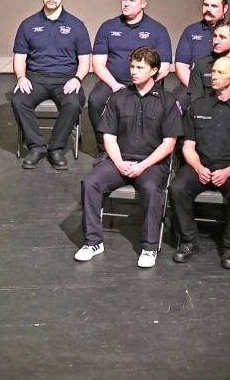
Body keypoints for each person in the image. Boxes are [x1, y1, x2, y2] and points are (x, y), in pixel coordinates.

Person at [76, 47, 182, 268]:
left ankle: (149, 247)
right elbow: (109, 136)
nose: (133, 71)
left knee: (152, 189)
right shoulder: (119, 97)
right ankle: (93, 242)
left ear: (154, 71)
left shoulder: (167, 101)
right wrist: (119, 162)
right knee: (91, 182)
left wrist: (142, 166)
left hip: (151, 163)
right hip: (120, 159)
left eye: (140, 67)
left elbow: (169, 143)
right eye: (132, 66)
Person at [170, 56, 230, 269]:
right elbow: (188, 146)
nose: (214, 76)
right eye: (213, 71)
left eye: (220, 72)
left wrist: (228, 171)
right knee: (177, 187)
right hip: (201, 165)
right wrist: (198, 167)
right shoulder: (197, 106)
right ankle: (189, 241)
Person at [10, 0, 91, 170]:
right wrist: (21, 77)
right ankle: (37, 147)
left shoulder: (76, 25)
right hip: (36, 78)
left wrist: (77, 78)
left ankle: (56, 149)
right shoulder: (28, 25)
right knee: (19, 101)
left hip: (66, 79)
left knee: (73, 103)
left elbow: (85, 61)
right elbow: (19, 58)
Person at [89, 0, 172, 158]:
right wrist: (115, 86)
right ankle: (104, 149)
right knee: (95, 100)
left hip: (146, 84)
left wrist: (143, 84)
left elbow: (164, 68)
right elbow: (97, 64)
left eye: (131, 0)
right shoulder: (108, 27)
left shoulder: (157, 30)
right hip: (113, 82)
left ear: (143, 3)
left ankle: (145, 149)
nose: (126, 4)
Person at [173, 0, 230, 89]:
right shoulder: (191, 31)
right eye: (205, 5)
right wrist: (197, 89)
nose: (208, 9)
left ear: (225, 8)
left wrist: (223, 91)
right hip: (195, 88)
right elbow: (181, 66)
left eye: (214, 6)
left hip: (229, 90)